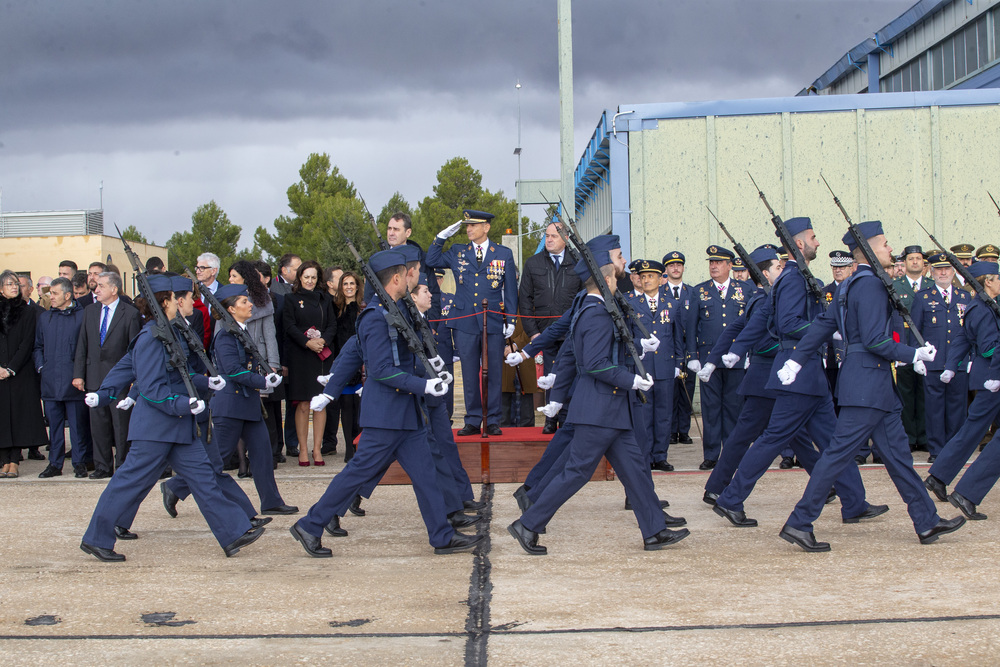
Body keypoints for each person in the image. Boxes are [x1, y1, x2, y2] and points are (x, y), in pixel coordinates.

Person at [775, 220, 964, 551]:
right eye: (885, 244)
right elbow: (876, 340)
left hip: (873, 387)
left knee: (899, 457)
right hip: (867, 384)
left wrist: (796, 360)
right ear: (869, 250)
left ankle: (927, 521)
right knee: (835, 457)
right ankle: (799, 522)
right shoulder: (871, 285)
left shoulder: (850, 284)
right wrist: (912, 352)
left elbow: (822, 325)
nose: (891, 249)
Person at [289, 248, 483, 558]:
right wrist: (425, 385)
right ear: (395, 278)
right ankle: (310, 525)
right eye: (406, 274)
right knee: (355, 474)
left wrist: (433, 366)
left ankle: (442, 536)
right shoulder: (374, 318)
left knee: (427, 476)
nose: (410, 279)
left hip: (407, 414)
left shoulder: (398, 310)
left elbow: (410, 354)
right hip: (386, 415)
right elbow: (381, 370)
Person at [507, 237, 689, 555]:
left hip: (612, 409)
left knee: (635, 469)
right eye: (619, 258)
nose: (623, 262)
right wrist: (632, 379)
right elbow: (593, 364)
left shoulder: (602, 306)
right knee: (576, 471)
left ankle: (654, 530)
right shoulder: (594, 312)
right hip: (600, 408)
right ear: (606, 277)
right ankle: (529, 523)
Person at [79, 275, 265, 562]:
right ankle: (96, 538)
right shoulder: (152, 338)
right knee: (128, 483)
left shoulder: (172, 332)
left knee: (205, 479)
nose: (193, 301)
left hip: (178, 425)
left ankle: (233, 532)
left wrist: (204, 384)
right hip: (156, 427)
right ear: (168, 301)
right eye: (188, 297)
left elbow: (177, 374)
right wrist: (182, 403)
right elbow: (152, 388)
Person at [710, 218, 874, 528]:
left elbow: (763, 320)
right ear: (799, 244)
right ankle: (731, 499)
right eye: (813, 237)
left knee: (834, 441)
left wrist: (737, 347)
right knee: (772, 440)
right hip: (800, 373)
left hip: (809, 374)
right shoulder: (795, 278)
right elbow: (787, 323)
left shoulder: (792, 276)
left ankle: (854, 503)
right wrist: (829, 331)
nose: (817, 242)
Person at [426, 209, 517, 436]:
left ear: (486, 227)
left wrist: (512, 320)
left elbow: (511, 291)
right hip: (465, 321)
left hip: (493, 320)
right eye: (467, 225)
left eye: (473, 225)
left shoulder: (503, 253)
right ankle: (474, 419)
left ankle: (493, 419)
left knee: (495, 371)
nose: (468, 229)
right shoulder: (458, 251)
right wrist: (441, 237)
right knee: (468, 372)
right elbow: (431, 259)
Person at [209, 283, 297, 514]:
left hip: (247, 404)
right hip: (230, 406)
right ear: (230, 309)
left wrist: (268, 375)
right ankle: (176, 488)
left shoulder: (241, 330)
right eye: (244, 302)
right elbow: (233, 371)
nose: (250, 305)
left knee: (263, 453)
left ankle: (271, 502)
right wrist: (264, 382)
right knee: (217, 459)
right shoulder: (225, 336)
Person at [924, 261, 1000, 507]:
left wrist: (950, 366)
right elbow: (988, 348)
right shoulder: (981, 309)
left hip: (989, 377)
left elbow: (960, 339)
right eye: (997, 277)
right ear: (987, 281)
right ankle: (965, 492)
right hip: (992, 378)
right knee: (972, 431)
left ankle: (940, 476)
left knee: (970, 431)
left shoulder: (980, 306)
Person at [685, 246, 751, 469]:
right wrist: (692, 355)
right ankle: (711, 454)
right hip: (708, 358)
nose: (714, 266)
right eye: (711, 262)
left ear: (730, 266)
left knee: (733, 407)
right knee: (711, 408)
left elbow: (752, 325)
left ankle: (731, 454)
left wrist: (748, 352)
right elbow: (691, 325)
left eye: (719, 262)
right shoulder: (699, 291)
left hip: (736, 358)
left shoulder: (744, 290)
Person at [72, 272, 142, 478]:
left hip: (119, 380)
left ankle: (122, 466)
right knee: (98, 425)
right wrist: (79, 374)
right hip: (94, 377)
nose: (96, 289)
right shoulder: (90, 311)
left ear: (114, 289)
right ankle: (102, 466)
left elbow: (134, 350)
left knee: (121, 425)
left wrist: (133, 379)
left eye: (101, 286)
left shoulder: (129, 313)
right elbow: (82, 344)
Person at [518, 221, 581, 433]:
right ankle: (550, 420)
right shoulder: (533, 263)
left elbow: (583, 298)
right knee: (548, 375)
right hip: (543, 332)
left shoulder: (578, 263)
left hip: (570, 332)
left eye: (554, 236)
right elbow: (524, 300)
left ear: (566, 238)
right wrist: (533, 332)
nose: (549, 239)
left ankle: (566, 418)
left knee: (568, 375)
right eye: (547, 235)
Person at [909, 252, 971, 463]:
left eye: (947, 269)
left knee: (957, 409)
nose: (943, 272)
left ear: (953, 271)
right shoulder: (922, 296)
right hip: (933, 362)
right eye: (938, 269)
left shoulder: (965, 297)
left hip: (959, 362)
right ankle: (936, 451)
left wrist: (970, 357)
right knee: (934, 410)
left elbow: (971, 331)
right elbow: (915, 329)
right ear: (931, 272)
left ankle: (955, 450)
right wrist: (917, 357)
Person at [34, 277, 92, 477]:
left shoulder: (82, 316)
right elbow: (38, 346)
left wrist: (81, 374)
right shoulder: (44, 318)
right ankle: (54, 464)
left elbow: (86, 348)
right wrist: (42, 366)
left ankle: (79, 463)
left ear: (68, 295)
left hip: (73, 380)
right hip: (50, 380)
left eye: (55, 293)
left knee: (77, 425)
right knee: (55, 426)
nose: (51, 296)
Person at [227, 261, 281, 473]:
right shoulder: (226, 300)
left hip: (258, 363)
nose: (230, 280)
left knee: (259, 413)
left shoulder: (262, 300)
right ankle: (242, 463)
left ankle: (263, 459)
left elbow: (270, 337)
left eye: (233, 276)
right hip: (235, 361)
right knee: (240, 411)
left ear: (245, 277)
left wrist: (273, 365)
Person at [628, 259, 683, 471]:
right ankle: (645, 455)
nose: (646, 280)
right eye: (643, 277)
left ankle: (661, 455)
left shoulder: (672, 304)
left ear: (661, 279)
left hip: (665, 367)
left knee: (664, 413)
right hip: (642, 368)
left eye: (651, 276)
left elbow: (678, 336)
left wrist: (679, 362)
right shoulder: (631, 303)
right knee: (644, 413)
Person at [282, 260, 336, 466]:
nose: (310, 281)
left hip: (322, 355)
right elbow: (289, 326)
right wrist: (307, 342)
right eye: (307, 277)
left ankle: (317, 449)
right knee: (303, 404)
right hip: (301, 356)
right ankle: (303, 449)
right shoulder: (290, 299)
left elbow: (332, 324)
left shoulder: (325, 300)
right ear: (300, 278)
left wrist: (323, 341)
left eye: (314, 277)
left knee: (320, 404)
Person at [0, 270, 49, 478]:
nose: (14, 287)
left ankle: (13, 460)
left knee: (18, 417)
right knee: (2, 417)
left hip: (20, 373)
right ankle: (3, 461)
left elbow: (27, 342)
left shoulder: (29, 312)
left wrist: (11, 368)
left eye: (16, 284)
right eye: (9, 284)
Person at [893, 245, 930, 453]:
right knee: (905, 393)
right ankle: (909, 436)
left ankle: (923, 436)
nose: (915, 262)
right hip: (904, 345)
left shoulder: (931, 285)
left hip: (926, 347)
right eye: (911, 259)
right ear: (904, 263)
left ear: (924, 263)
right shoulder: (895, 287)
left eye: (918, 259)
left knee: (924, 393)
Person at [662, 251, 696, 447]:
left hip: (688, 348)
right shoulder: (660, 293)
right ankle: (671, 431)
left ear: (683, 268)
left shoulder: (693, 293)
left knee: (687, 391)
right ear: (666, 269)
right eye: (671, 265)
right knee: (670, 392)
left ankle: (684, 430)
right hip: (668, 350)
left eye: (679, 265)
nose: (675, 268)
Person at [330, 270, 364, 462]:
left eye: (352, 283)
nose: (349, 287)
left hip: (360, 363)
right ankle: (349, 449)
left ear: (357, 286)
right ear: (341, 287)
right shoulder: (335, 309)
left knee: (359, 408)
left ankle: (358, 445)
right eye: (345, 284)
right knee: (346, 409)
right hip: (343, 362)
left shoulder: (362, 308)